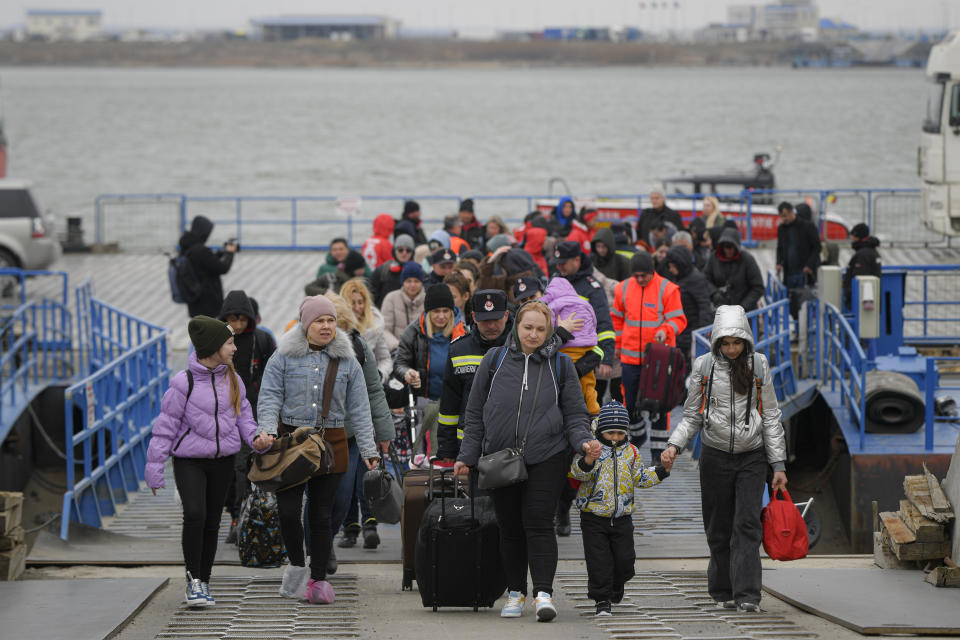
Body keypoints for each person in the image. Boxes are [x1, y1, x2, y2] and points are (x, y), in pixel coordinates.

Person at [454, 300, 599, 622]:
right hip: (499, 458)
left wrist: (584, 441)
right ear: (516, 327)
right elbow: (475, 413)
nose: (533, 334)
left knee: (537, 521)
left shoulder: (560, 366)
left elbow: (576, 414)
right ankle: (516, 592)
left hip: (546, 456)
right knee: (510, 527)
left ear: (549, 332)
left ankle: (543, 594)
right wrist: (466, 456)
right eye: (527, 327)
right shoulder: (494, 360)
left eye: (540, 329)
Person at [661, 305, 787, 613]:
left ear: (746, 341)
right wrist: (674, 445)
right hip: (715, 455)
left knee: (746, 524)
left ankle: (748, 595)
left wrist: (778, 464)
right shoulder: (704, 367)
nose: (732, 349)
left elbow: (770, 415)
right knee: (718, 528)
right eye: (726, 343)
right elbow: (691, 415)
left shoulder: (758, 366)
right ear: (717, 341)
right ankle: (722, 591)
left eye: (737, 342)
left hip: (752, 456)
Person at [256, 296, 379, 605]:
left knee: (321, 515)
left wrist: (368, 449)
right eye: (319, 321)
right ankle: (298, 565)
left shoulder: (347, 360)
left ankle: (318, 580)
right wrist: (267, 430)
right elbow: (269, 395)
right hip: (291, 444)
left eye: (331, 321)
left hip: (330, 443)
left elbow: (360, 408)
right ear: (306, 324)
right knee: (287, 512)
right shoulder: (282, 356)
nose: (326, 326)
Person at [146, 316, 272, 607]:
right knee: (195, 515)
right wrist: (154, 469)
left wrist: (258, 441)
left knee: (213, 522)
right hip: (189, 461)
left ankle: (204, 581)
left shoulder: (234, 379)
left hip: (223, 460)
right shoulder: (183, 383)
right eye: (229, 343)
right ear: (213, 347)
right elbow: (164, 428)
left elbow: (246, 421)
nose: (235, 348)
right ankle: (193, 581)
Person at [570, 401, 671, 617]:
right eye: (610, 433)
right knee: (599, 561)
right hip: (593, 516)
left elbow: (641, 478)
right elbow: (577, 474)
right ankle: (601, 600)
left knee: (626, 561)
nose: (615, 437)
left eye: (619, 432)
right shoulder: (592, 448)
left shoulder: (631, 452)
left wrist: (663, 470)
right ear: (600, 432)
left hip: (622, 517)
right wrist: (588, 458)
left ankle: (616, 583)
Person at [322, 293, 395, 556]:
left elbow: (373, 391)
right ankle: (318, 552)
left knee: (342, 497)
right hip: (312, 436)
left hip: (348, 435)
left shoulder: (357, 346)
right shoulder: (300, 351)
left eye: (335, 322)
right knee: (318, 499)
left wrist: (384, 431)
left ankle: (325, 544)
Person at [612, 252, 686, 462]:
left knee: (659, 406)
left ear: (652, 271)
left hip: (659, 361)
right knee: (630, 402)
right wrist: (617, 346)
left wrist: (666, 329)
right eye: (636, 275)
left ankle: (657, 454)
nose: (640, 279)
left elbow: (679, 319)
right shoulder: (623, 288)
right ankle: (637, 435)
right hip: (630, 358)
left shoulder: (668, 289)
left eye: (644, 275)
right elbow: (617, 320)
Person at [217, 290, 277, 543]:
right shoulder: (218, 341)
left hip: (252, 411)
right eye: (233, 320)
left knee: (245, 465)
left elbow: (273, 372)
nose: (238, 325)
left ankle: (244, 514)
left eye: (243, 320)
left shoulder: (261, 340)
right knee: (229, 468)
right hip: (224, 414)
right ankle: (234, 513)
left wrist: (255, 390)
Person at [436, 289, 512, 462]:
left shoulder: (521, 347)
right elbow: (449, 407)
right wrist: (447, 451)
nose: (492, 326)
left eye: (496, 319)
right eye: (485, 320)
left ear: (507, 315)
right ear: (474, 317)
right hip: (470, 448)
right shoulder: (458, 350)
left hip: (512, 447)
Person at [394, 284, 466, 456]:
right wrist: (407, 374)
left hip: (455, 403)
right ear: (427, 312)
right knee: (423, 453)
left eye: (445, 311)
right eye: (435, 311)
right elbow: (399, 363)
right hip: (424, 401)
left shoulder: (464, 332)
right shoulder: (413, 332)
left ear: (452, 310)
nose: (441, 316)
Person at [552, 241, 617, 382]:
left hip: (581, 358)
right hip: (554, 353)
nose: (559, 266)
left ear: (577, 260)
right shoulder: (555, 281)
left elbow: (604, 324)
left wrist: (606, 358)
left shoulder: (592, 288)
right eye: (558, 263)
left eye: (563, 263)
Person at [541, 277, 601, 416]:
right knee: (589, 383)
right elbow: (594, 320)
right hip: (587, 347)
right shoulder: (583, 303)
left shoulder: (553, 305)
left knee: (569, 384)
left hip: (566, 347)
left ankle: (572, 411)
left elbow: (549, 327)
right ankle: (594, 411)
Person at [664, 246, 715, 366]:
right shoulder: (678, 277)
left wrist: (702, 332)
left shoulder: (695, 279)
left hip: (690, 332)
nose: (670, 270)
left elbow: (704, 305)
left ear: (680, 264)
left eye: (673, 266)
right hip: (681, 331)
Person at [178, 216, 237, 318]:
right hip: (207, 302)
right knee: (210, 332)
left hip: (195, 299)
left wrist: (220, 253)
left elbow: (206, 263)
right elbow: (223, 268)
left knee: (200, 331)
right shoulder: (201, 250)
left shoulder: (187, 246)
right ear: (203, 232)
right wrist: (230, 253)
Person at [340, 278, 393, 379]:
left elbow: (385, 358)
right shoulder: (337, 325)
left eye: (360, 302)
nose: (357, 308)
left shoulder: (375, 325)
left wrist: (379, 375)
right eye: (352, 303)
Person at [704, 227, 765, 312]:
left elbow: (758, 287)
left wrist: (743, 307)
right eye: (726, 247)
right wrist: (714, 293)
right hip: (722, 312)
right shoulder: (714, 259)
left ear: (736, 246)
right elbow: (706, 279)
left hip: (745, 315)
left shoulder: (747, 259)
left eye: (731, 247)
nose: (728, 250)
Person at [775, 202, 821, 289]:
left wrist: (809, 265)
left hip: (805, 271)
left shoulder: (808, 226)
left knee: (805, 298)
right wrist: (778, 262)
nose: (784, 219)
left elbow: (817, 247)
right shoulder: (781, 229)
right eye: (781, 216)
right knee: (790, 297)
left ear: (792, 212)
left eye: (785, 215)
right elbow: (780, 247)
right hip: (789, 272)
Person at [381, 261, 426, 347]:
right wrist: (398, 347)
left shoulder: (428, 300)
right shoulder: (391, 298)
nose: (412, 285)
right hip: (396, 351)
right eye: (408, 281)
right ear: (403, 282)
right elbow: (385, 329)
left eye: (416, 281)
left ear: (421, 282)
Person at [842, 223, 882, 308]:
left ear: (858, 236)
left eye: (852, 235)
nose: (851, 238)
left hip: (861, 302)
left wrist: (849, 294)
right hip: (871, 299)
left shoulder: (862, 255)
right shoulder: (872, 251)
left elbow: (859, 277)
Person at [369, 234, 416, 307]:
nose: (404, 253)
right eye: (400, 250)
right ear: (394, 251)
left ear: (412, 253)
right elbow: (371, 294)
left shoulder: (418, 271)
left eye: (408, 250)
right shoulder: (383, 270)